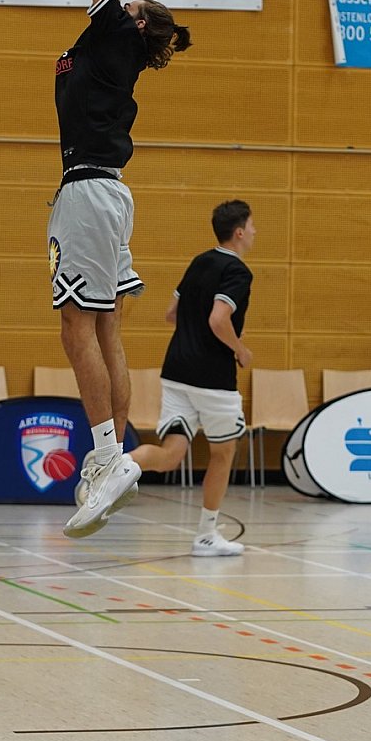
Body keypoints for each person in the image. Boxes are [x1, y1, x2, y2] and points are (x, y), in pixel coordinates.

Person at [50, 0, 191, 539]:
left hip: (88, 193)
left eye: (132, 0)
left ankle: (107, 456)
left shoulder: (112, 31)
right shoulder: (118, 41)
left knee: (76, 326)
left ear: (135, 20)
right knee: (104, 325)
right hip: (105, 192)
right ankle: (115, 456)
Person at [128, 200, 255, 557]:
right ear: (239, 232)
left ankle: (119, 465)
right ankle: (206, 535)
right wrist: (240, 349)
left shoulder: (199, 262)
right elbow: (218, 319)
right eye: (252, 226)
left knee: (171, 454)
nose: (255, 232)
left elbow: (171, 313)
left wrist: (193, 330)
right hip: (212, 376)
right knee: (223, 452)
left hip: (176, 370)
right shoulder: (238, 271)